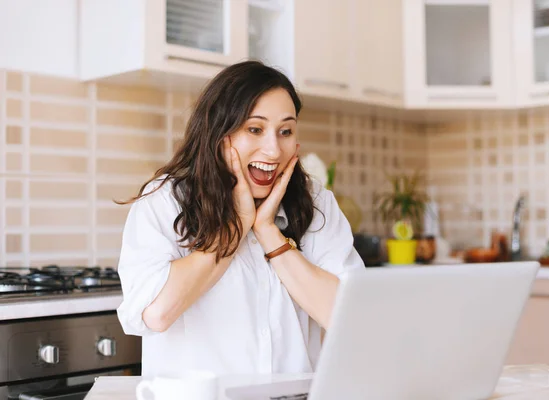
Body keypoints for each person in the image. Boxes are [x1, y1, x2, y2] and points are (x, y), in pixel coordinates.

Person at [115, 60, 365, 378]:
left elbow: (351, 318)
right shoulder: (165, 201)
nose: (274, 150)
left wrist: (268, 232)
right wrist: (236, 226)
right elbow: (157, 313)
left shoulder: (315, 202)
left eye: (285, 131)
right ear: (219, 133)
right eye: (255, 129)